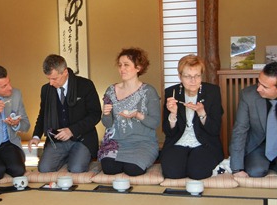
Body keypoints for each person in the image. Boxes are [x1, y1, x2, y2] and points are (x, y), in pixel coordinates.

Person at [28, 54, 102, 173]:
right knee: (44, 168)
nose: (51, 83)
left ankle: (76, 157)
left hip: (81, 138)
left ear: (65, 72)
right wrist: (36, 136)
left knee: (76, 168)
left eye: (54, 78)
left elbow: (95, 114)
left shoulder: (85, 85)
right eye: (48, 79)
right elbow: (42, 115)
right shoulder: (46, 90)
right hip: (57, 140)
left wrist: (72, 130)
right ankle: (68, 157)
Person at [98, 48, 160, 176]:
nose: (122, 69)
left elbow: (155, 122)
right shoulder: (110, 90)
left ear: (138, 68)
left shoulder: (148, 91)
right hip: (116, 142)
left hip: (143, 143)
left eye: (126, 65)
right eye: (120, 65)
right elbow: (107, 124)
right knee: (109, 169)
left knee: (133, 169)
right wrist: (106, 113)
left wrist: (138, 115)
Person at [161, 54, 224, 180]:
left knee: (198, 173)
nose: (193, 80)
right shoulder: (172, 92)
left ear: (202, 75)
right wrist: (173, 113)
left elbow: (215, 129)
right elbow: (168, 131)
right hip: (178, 141)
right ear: (180, 77)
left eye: (197, 76)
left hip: (205, 142)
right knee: (172, 172)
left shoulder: (212, 92)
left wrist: (202, 113)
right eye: (188, 76)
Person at [230, 61, 277, 178]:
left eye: (265, 87)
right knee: (256, 171)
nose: (258, 89)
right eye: (259, 82)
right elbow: (239, 131)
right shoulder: (248, 95)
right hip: (258, 145)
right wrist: (237, 168)